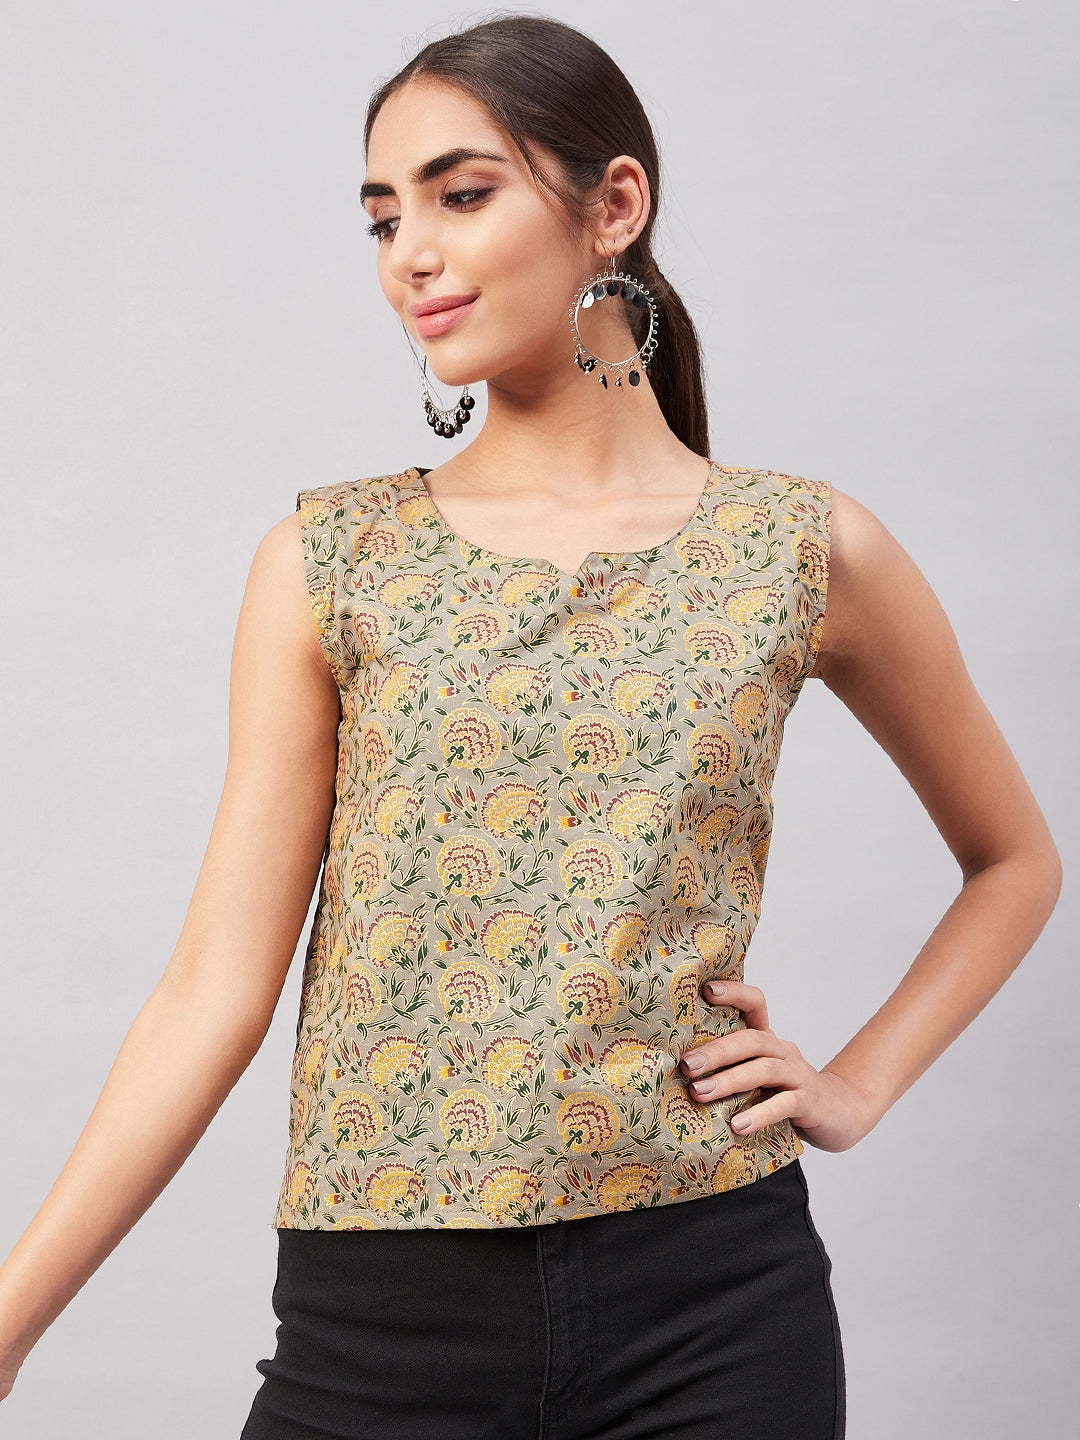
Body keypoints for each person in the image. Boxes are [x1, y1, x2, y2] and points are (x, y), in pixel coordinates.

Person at [0, 13, 1061, 1440]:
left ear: (615, 205)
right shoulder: (333, 562)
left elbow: (1015, 861)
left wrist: (860, 1082)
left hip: (715, 1307)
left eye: (460, 194)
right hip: (381, 1321)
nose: (409, 255)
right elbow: (212, 992)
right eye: (384, 218)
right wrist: (9, 1325)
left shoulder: (801, 550)